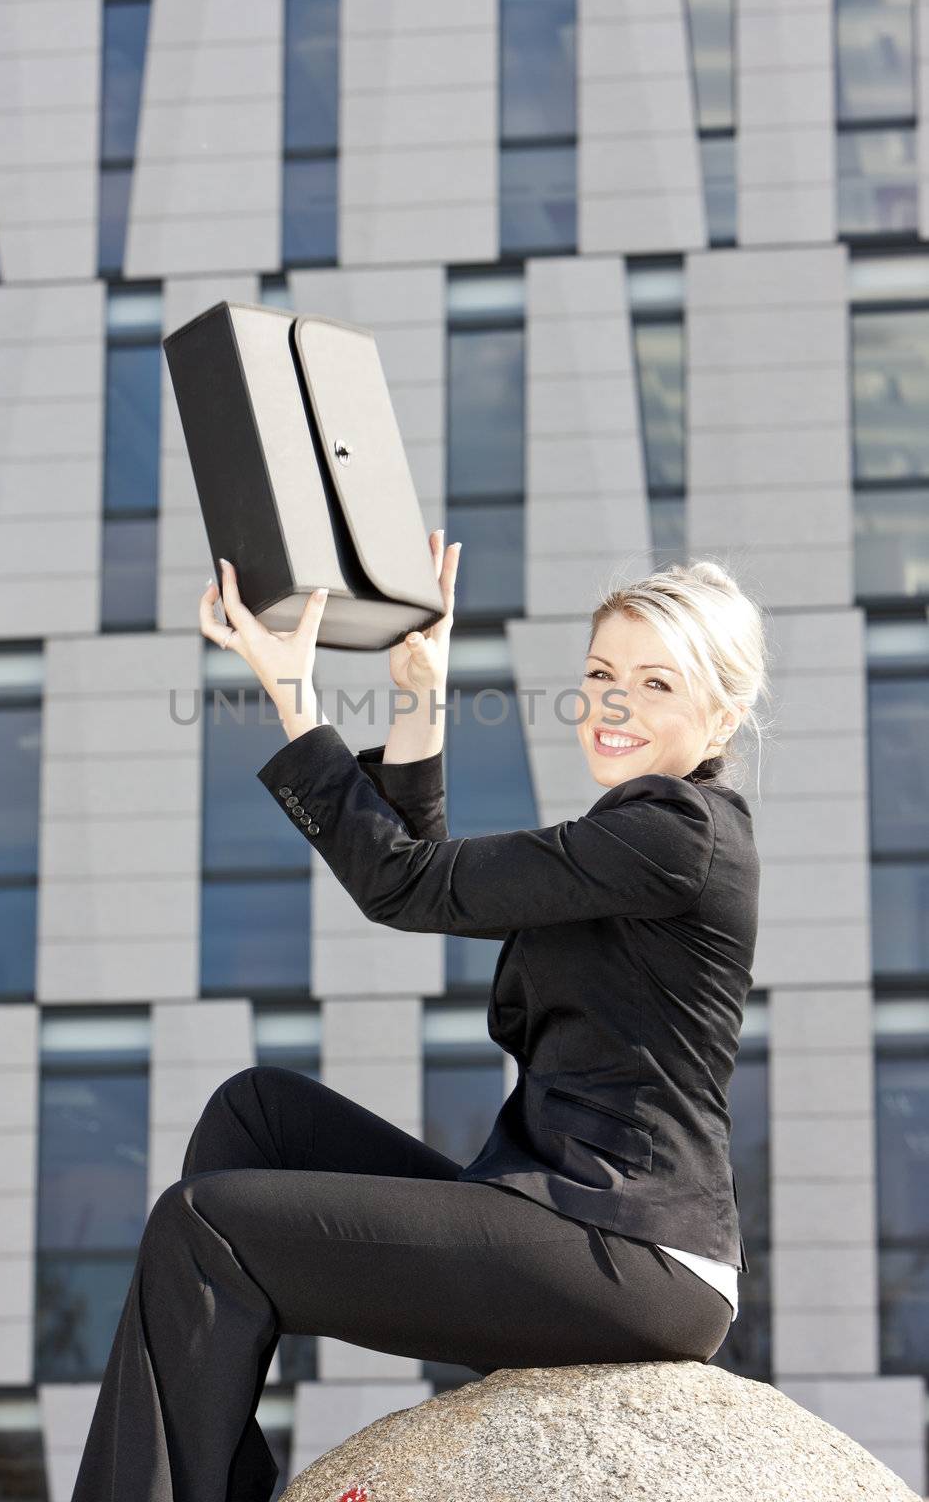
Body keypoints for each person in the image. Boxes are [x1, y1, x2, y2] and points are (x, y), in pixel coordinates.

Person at [69, 533, 770, 1502]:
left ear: (720, 711)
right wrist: (417, 685)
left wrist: (292, 696)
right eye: (601, 671)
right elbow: (424, 870)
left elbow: (405, 884)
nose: (614, 702)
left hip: (635, 1253)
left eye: (656, 683)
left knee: (202, 1229)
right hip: (563, 1213)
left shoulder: (673, 831)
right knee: (254, 1116)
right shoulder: (639, 840)